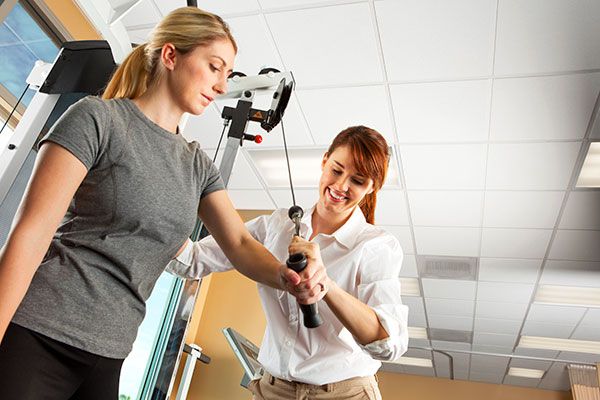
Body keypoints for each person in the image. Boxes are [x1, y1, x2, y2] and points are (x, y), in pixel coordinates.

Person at [0, 7, 322, 399]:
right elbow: (31, 233)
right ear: (171, 56)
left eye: (226, 73)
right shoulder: (97, 119)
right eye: (214, 67)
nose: (222, 85)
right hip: (41, 331)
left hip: (111, 352)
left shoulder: (197, 164)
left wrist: (287, 280)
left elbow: (237, 244)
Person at [170, 126, 409, 400]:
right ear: (324, 160)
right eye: (337, 170)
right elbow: (189, 261)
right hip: (274, 389)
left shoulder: (377, 246)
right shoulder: (278, 224)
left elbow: (389, 344)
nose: (341, 186)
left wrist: (325, 285)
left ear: (372, 187)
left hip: (344, 393)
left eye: (357, 180)